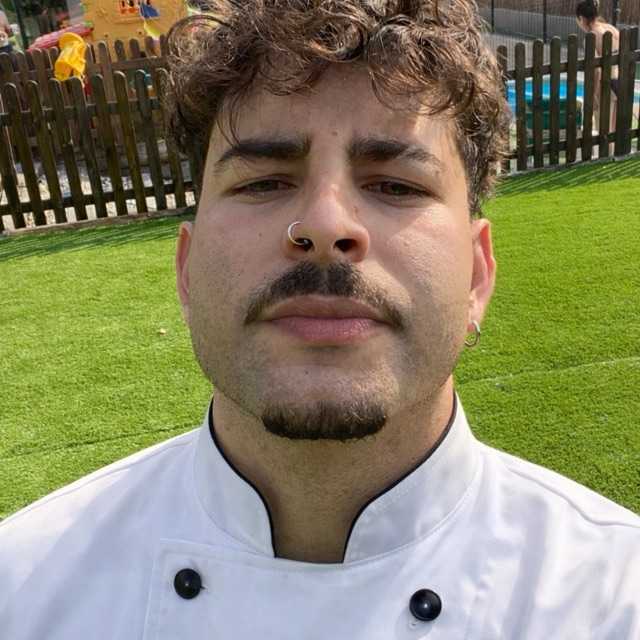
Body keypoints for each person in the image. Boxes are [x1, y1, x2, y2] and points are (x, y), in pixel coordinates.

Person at [1, 0, 639, 637]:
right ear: (187, 271)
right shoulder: (21, 589)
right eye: (263, 182)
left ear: (477, 274)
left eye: (395, 185)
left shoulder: (615, 603)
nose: (327, 225)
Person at [576, 0, 620, 135]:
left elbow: (596, 70)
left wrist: (593, 95)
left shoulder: (591, 37)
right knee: (614, 130)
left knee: (604, 132)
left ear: (581, 18)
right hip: (619, 83)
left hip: (604, 88)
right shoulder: (612, 29)